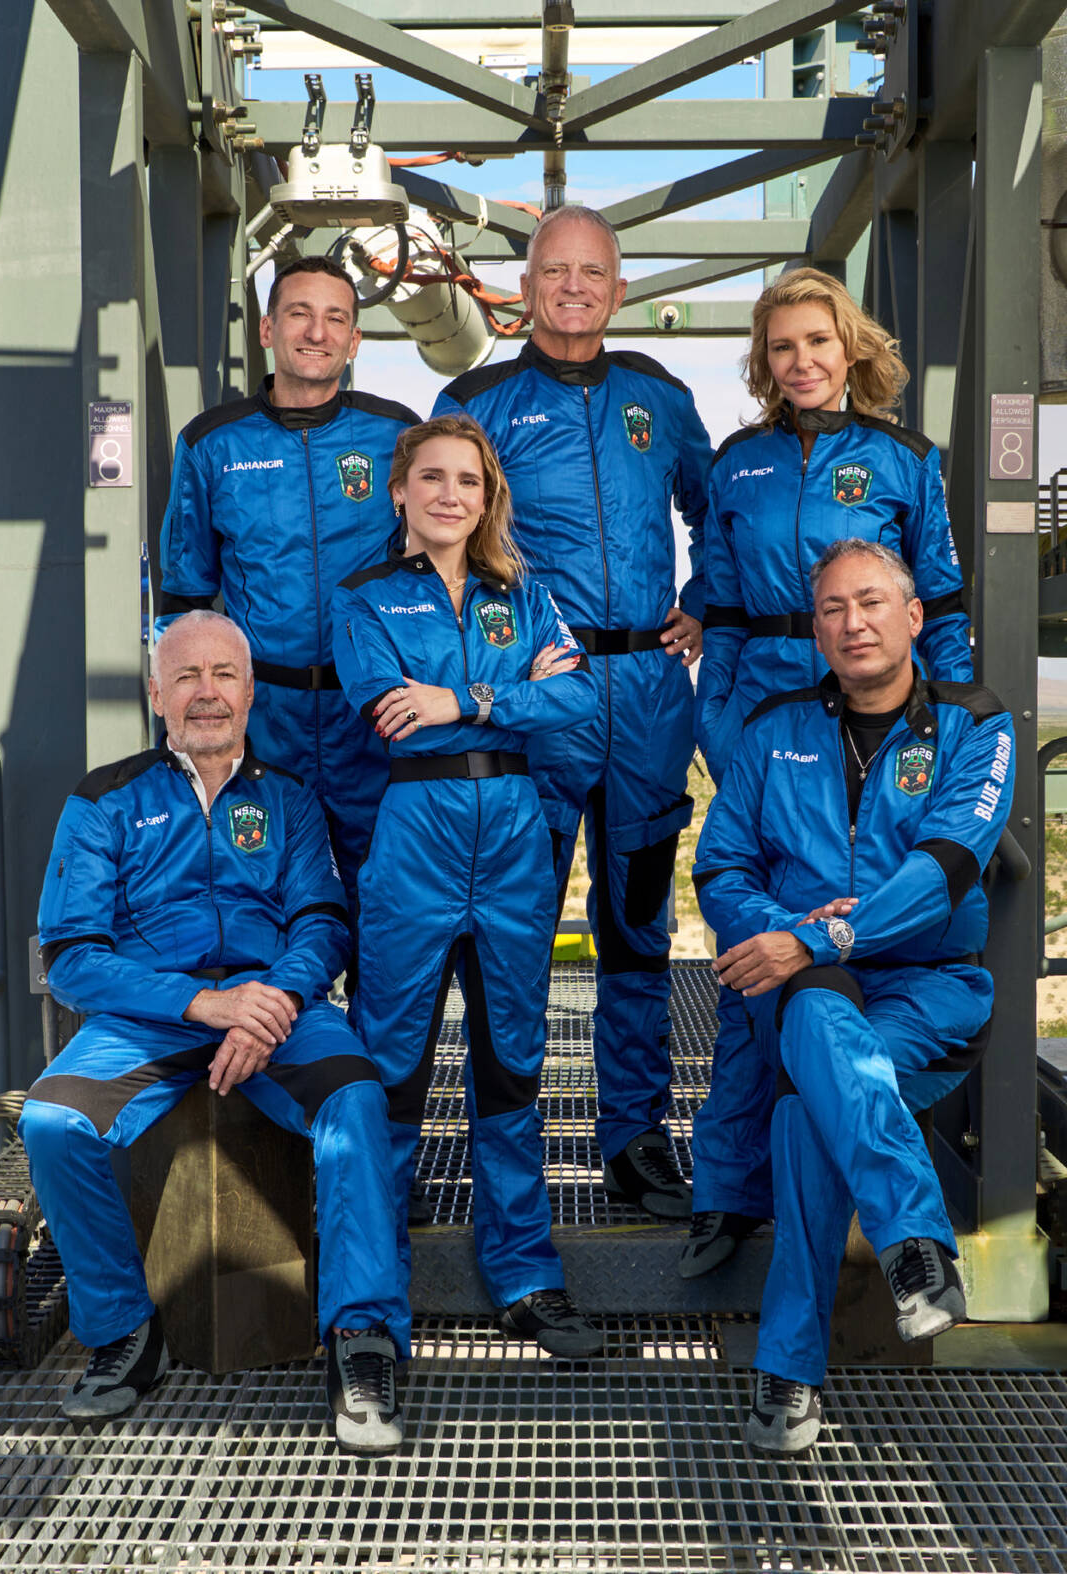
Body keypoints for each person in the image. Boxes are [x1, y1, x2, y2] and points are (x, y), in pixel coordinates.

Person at [18, 611, 411, 1456]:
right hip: (152, 1016)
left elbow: (321, 921)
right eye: (187, 677)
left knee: (356, 1102)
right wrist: (199, 1006)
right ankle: (125, 1331)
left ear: (250, 690)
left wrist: (271, 998)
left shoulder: (288, 797)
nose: (207, 693)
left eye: (224, 675)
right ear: (156, 694)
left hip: (276, 1007)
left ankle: (362, 1343)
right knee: (52, 1123)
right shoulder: (103, 799)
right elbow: (73, 956)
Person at [683, 265, 974, 1280]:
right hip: (765, 719)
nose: (799, 360)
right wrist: (718, 728)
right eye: (779, 346)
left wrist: (951, 722)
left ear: (848, 348)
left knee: (835, 955)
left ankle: (838, 1188)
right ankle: (723, 1191)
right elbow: (714, 606)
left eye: (816, 341)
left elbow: (935, 597)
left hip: (883, 720)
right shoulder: (738, 464)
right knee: (752, 959)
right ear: (761, 363)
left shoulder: (901, 459)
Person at [692, 538, 1011, 1457]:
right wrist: (788, 933)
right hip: (807, 986)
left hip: (930, 988)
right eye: (832, 608)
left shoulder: (975, 727)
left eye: (872, 603)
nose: (853, 622)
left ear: (914, 618)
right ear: (816, 629)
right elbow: (722, 865)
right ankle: (917, 1249)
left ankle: (790, 1373)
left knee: (809, 1110)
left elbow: (945, 869)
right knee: (824, 1041)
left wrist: (821, 934)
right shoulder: (773, 728)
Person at [434, 205, 711, 1220]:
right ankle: (505, 1144)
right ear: (523, 287)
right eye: (554, 272)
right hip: (538, 704)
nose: (572, 288)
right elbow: (440, 532)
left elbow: (714, 507)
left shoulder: (659, 397)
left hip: (645, 697)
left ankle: (635, 1134)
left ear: (618, 288)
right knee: (509, 929)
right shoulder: (479, 400)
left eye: (591, 272)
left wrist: (705, 595)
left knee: (636, 925)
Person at [330, 412, 606, 1358]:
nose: (452, 495)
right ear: (399, 489)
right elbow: (389, 717)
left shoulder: (525, 595)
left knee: (509, 1065)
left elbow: (578, 699)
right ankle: (372, 1289)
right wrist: (508, 704)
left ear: (490, 499)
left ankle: (525, 1272)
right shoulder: (363, 599)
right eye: (434, 477)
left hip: (516, 846)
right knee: (393, 1071)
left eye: (471, 482)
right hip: (414, 842)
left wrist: (468, 699)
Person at [156, 255, 419, 928]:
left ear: (355, 340)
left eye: (336, 318)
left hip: (374, 716)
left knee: (383, 912)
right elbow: (185, 602)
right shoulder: (213, 443)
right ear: (269, 329)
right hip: (264, 719)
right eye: (300, 313)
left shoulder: (397, 436)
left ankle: (367, 1040)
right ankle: (275, 1035)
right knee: (258, 906)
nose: (317, 332)